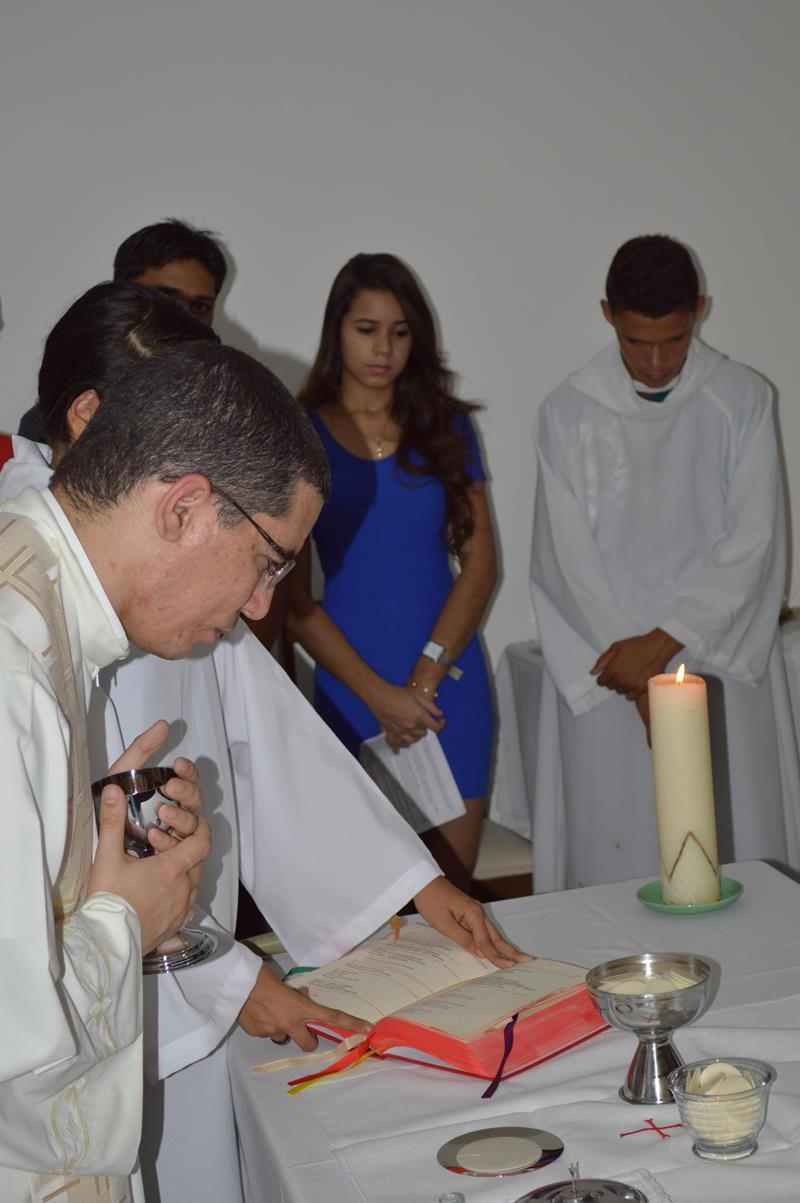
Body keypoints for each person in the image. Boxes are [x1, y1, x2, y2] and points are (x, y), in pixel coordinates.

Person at [1, 282, 521, 1203]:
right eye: (267, 562)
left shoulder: (60, 599)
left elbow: (266, 736)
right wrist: (133, 921)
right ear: (181, 502)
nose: (259, 608)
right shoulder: (17, 654)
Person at [529, 233, 800, 891]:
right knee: (615, 857)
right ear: (607, 316)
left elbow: (755, 540)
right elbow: (565, 558)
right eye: (636, 342)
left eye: (674, 341)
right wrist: (638, 672)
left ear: (699, 310)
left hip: (715, 658)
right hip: (609, 668)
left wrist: (661, 646)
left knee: (734, 852)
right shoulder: (567, 413)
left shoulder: (741, 397)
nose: (655, 363)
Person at [286, 253, 498, 893]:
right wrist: (381, 696)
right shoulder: (300, 434)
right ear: (337, 331)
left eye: (400, 332)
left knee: (452, 901)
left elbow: (481, 566)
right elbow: (293, 602)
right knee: (363, 907)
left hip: (447, 691)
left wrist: (423, 680)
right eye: (367, 329)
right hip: (351, 693)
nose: (384, 348)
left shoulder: (446, 426)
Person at [17, 219, 226, 442]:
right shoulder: (55, 419)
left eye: (200, 306)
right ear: (123, 295)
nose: (184, 316)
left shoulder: (226, 408)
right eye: (166, 298)